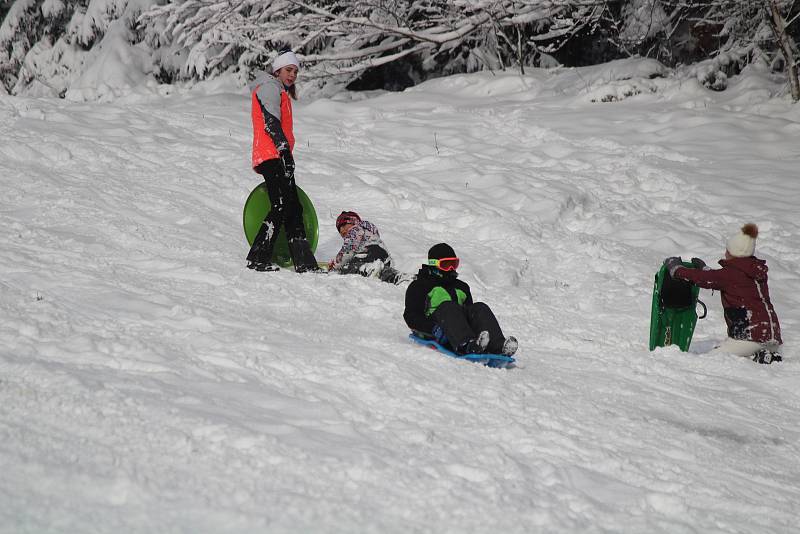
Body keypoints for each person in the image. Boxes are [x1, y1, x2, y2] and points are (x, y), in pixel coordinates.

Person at [245, 47, 320, 273]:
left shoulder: (278, 90)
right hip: (272, 155)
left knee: (292, 206)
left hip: (278, 154)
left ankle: (304, 261)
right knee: (280, 205)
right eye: (289, 70)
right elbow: (270, 121)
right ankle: (258, 257)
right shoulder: (269, 87)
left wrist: (285, 152)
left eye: (295, 72)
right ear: (277, 70)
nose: (292, 75)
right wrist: (283, 150)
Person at [664, 223, 783, 363]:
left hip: (750, 337)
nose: (725, 253)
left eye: (727, 250)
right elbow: (726, 281)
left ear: (734, 253)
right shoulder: (754, 272)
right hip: (772, 335)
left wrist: (677, 270)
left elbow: (709, 279)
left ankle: (757, 353)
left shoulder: (731, 274)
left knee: (713, 359)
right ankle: (765, 354)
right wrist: (706, 270)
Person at [403, 243, 518, 356]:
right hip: (436, 330)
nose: (451, 268)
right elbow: (411, 316)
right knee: (448, 306)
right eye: (446, 264)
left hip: (456, 329)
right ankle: (467, 344)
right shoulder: (420, 286)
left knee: (479, 308)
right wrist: (433, 329)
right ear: (434, 264)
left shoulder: (461, 286)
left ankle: (497, 346)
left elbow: (471, 316)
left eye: (454, 264)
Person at [328, 211, 413, 285]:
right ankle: (399, 277)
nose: (342, 231)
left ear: (353, 221)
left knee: (348, 269)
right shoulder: (368, 231)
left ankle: (372, 269)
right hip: (383, 256)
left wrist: (336, 264)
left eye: (343, 226)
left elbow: (348, 249)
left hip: (368, 252)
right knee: (382, 271)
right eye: (339, 230)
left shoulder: (355, 229)